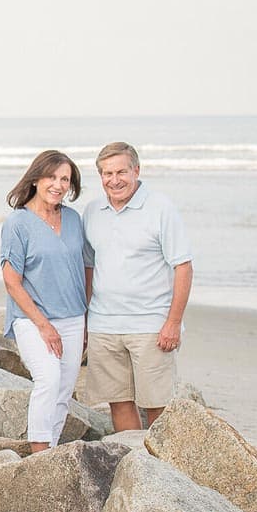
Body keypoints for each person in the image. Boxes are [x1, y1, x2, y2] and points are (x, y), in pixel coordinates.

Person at [82, 141, 193, 432]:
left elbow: (183, 266)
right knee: (118, 402)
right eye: (107, 173)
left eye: (121, 172)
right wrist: (85, 319)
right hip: (103, 324)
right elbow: (89, 267)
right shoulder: (92, 211)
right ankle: (134, 466)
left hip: (150, 325)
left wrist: (173, 322)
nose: (114, 180)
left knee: (156, 404)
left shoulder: (160, 208)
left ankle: (160, 472)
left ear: (136, 171)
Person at [1, 150, 89, 451]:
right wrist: (44, 325)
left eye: (65, 179)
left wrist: (87, 319)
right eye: (52, 177)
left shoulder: (74, 220)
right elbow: (12, 280)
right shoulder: (18, 223)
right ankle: (38, 454)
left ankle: (50, 449)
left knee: (64, 391)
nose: (58, 184)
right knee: (48, 380)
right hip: (32, 320)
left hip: (75, 318)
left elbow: (85, 269)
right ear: (36, 179)